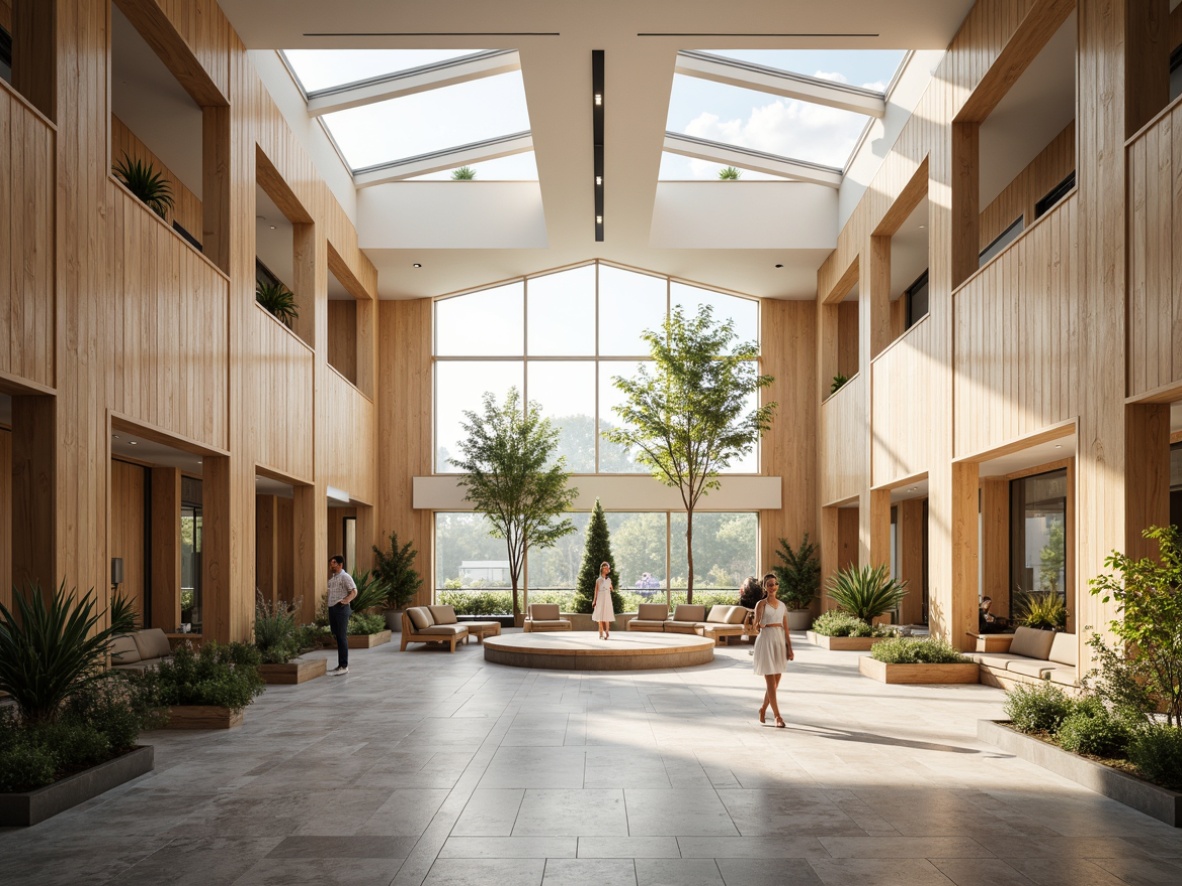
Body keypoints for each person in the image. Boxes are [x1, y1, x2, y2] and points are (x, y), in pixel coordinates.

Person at [752, 572, 793, 727]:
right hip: (766, 640)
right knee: (770, 682)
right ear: (765, 587)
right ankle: (778, 717)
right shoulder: (761, 604)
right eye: (769, 584)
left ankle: (763, 709)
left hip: (779, 641)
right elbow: (756, 626)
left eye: (775, 584)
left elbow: (786, 629)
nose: (772, 587)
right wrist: (759, 624)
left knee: (775, 684)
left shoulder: (782, 605)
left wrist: (790, 648)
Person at [327, 555, 357, 674]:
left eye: (333, 563)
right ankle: (340, 665)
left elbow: (354, 591)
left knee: (342, 636)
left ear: (340, 565)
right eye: (330, 563)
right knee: (337, 635)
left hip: (341, 609)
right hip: (332, 608)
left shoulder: (345, 577)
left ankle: (344, 666)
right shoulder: (332, 579)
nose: (331, 565)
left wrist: (346, 600)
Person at [593, 561, 615, 640]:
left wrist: (611, 586)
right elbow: (596, 591)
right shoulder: (598, 580)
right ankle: (601, 633)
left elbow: (612, 589)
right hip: (600, 598)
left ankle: (607, 632)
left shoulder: (609, 580)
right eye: (605, 568)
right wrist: (594, 601)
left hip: (607, 598)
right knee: (600, 616)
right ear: (602, 569)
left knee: (607, 615)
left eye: (607, 568)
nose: (606, 569)